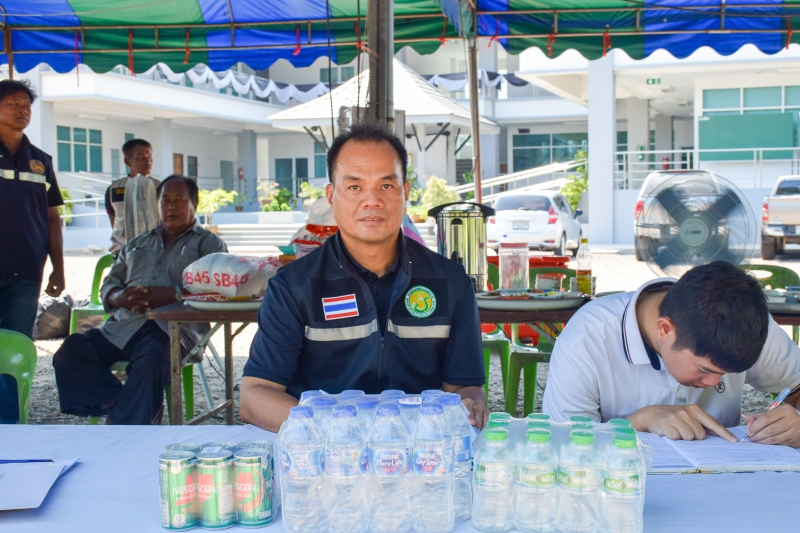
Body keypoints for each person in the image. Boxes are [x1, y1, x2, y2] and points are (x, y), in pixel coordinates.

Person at [241, 121, 488, 432]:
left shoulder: (451, 282)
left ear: (405, 192)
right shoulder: (294, 286)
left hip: (421, 456)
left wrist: (470, 407)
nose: (372, 201)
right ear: (331, 196)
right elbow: (254, 396)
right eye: (354, 187)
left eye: (386, 185)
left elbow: (465, 389)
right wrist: (340, 430)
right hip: (324, 457)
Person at [543, 261, 800, 447]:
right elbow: (561, 445)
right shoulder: (586, 341)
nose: (715, 383)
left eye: (727, 373)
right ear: (665, 329)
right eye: (705, 370)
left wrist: (796, 423)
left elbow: (796, 387)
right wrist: (638, 421)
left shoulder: (747, 324)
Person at [53, 176, 227, 424]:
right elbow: (110, 284)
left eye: (179, 200)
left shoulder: (208, 244)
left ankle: (124, 422)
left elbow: (217, 286)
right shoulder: (136, 243)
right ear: (157, 205)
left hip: (173, 329)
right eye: (165, 200)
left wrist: (171, 293)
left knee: (151, 360)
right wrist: (119, 297)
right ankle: (124, 406)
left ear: (195, 204)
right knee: (71, 351)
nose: (171, 206)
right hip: (123, 326)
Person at [0, 79, 64, 424]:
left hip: (27, 270)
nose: (22, 110)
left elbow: (53, 217)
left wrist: (59, 267)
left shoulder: (41, 161)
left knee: (16, 346)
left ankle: (8, 424)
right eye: (13, 104)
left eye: (26, 105)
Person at [105, 138, 160, 254]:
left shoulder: (160, 188)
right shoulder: (114, 189)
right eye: (141, 157)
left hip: (153, 252)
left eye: (149, 157)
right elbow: (114, 221)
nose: (148, 161)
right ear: (128, 162)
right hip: (121, 253)